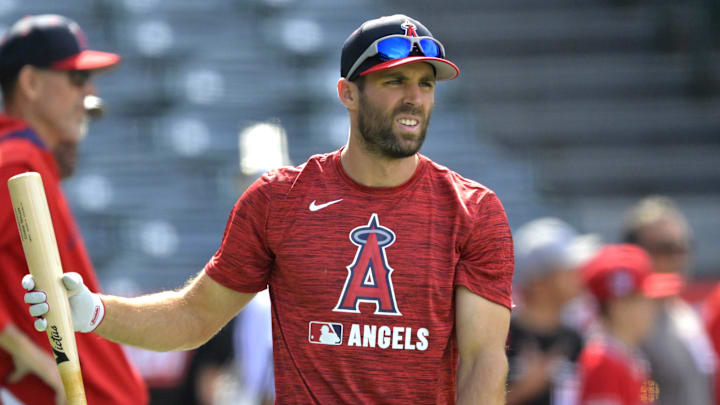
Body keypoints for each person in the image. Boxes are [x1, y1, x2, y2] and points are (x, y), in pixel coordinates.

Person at [22, 14, 514, 404]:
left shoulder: (474, 211)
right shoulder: (279, 200)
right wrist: (94, 311)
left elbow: (482, 362)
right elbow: (193, 318)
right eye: (393, 81)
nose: (414, 98)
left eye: (425, 84)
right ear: (347, 93)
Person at [0, 14, 148, 405]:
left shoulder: (28, 158)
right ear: (31, 83)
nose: (90, 93)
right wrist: (24, 352)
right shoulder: (14, 162)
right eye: (77, 80)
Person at [621, 196, 715, 405]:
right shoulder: (633, 321)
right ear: (635, 252)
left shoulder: (684, 311)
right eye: (666, 248)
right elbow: (644, 393)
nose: (679, 257)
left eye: (684, 246)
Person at [577, 244, 683, 405]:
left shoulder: (630, 356)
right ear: (619, 306)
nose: (654, 308)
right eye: (645, 300)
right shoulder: (602, 363)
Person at [507, 217, 598, 405]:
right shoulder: (502, 337)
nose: (579, 275)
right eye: (568, 270)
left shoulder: (578, 337)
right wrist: (525, 389)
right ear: (538, 282)